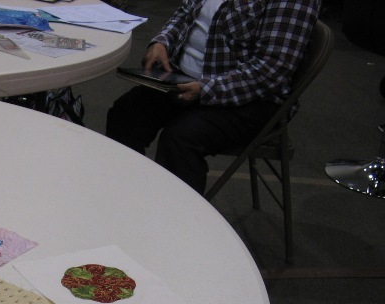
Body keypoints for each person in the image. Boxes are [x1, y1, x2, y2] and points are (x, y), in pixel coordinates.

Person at [106, 0, 322, 195]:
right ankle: (126, 198)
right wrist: (162, 42)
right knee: (125, 115)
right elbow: (186, 13)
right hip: (187, 79)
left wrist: (207, 89)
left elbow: (272, 71)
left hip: (252, 97)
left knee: (180, 140)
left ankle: (182, 220)